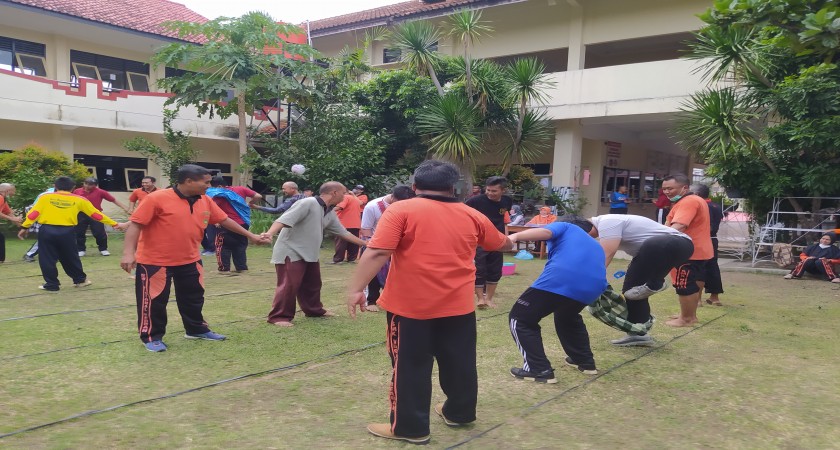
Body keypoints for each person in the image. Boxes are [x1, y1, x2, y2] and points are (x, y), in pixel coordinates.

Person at [346, 160, 513, 444]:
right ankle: (459, 413)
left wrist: (356, 290)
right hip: (459, 306)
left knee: (409, 365)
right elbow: (502, 244)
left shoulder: (402, 209)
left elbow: (376, 253)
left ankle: (410, 428)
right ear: (453, 188)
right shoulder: (470, 213)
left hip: (411, 307)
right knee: (459, 361)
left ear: (414, 187)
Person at [120, 165, 268, 353]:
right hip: (155, 261)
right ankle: (152, 336)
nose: (209, 185)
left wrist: (251, 236)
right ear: (189, 181)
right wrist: (127, 253)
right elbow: (136, 225)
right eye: (205, 182)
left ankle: (196, 329)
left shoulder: (205, 200)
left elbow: (223, 220)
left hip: (190, 259)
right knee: (154, 300)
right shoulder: (156, 198)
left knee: (194, 298)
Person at [507, 216, 607, 383]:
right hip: (594, 286)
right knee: (567, 316)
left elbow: (545, 232)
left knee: (521, 318)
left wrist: (515, 236)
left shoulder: (566, 226)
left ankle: (538, 369)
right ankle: (584, 362)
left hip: (564, 278)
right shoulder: (594, 244)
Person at [262, 182, 367, 327]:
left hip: (309, 252)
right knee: (289, 285)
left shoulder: (329, 211)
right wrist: (269, 234)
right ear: (334, 193)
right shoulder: (308, 203)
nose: (346, 196)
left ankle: (314, 310)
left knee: (313, 283)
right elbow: (284, 220)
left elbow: (343, 232)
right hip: (291, 251)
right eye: (344, 193)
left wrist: (367, 244)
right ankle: (279, 316)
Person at [587, 214, 694, 346]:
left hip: (673, 243)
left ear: (588, 225)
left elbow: (607, 253)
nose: (587, 236)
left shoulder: (607, 222)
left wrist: (594, 277)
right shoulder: (609, 225)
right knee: (632, 291)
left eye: (585, 232)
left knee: (650, 249)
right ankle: (639, 334)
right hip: (668, 249)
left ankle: (656, 283)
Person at [18, 177, 126, 291]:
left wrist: (24, 227)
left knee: (46, 258)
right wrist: (114, 224)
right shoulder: (80, 199)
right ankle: (80, 280)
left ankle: (52, 284)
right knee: (70, 257)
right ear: (73, 188)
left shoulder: (45, 197)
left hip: (47, 230)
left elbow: (33, 214)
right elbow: (96, 214)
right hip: (67, 232)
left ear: (55, 186)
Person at [662, 174, 713, 327]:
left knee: (684, 284)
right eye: (664, 189)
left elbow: (679, 226)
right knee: (693, 282)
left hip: (688, 251)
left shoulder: (688, 202)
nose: (666, 192)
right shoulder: (694, 200)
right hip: (698, 249)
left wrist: (659, 240)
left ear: (684, 188)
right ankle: (689, 315)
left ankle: (687, 318)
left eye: (670, 188)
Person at [359, 185, 416, 312]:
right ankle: (371, 300)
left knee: (395, 273)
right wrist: (374, 246)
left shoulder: (408, 207)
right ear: (393, 198)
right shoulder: (373, 206)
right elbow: (366, 229)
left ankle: (394, 299)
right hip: (377, 243)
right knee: (373, 271)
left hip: (397, 246)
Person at [466, 176, 513, 309]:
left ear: (503, 190)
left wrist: (506, 237)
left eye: (494, 191)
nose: (490, 193)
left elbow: (503, 219)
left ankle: (489, 299)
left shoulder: (506, 201)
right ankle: (480, 299)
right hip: (479, 240)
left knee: (495, 270)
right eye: (488, 190)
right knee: (479, 269)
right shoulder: (475, 201)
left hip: (497, 240)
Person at [207, 175, 262, 274]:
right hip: (243, 222)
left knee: (223, 246)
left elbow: (213, 208)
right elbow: (258, 196)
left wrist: (216, 221)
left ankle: (224, 269)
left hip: (227, 223)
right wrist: (251, 203)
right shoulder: (240, 189)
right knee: (240, 245)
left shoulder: (218, 194)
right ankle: (241, 268)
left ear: (219, 187)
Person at [74, 177, 129, 256]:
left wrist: (125, 208)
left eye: (90, 185)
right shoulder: (77, 191)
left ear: (95, 185)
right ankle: (81, 249)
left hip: (96, 214)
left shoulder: (100, 192)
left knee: (99, 232)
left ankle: (103, 249)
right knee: (79, 232)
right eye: (86, 184)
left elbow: (113, 200)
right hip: (80, 214)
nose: (87, 186)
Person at [695, 184, 725, 305]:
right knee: (713, 267)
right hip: (713, 239)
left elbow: (709, 225)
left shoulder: (702, 206)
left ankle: (697, 299)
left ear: (696, 194)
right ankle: (715, 297)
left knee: (699, 267)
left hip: (703, 239)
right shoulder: (716, 206)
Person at [332, 188, 363, 264]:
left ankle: (338, 259)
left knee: (341, 242)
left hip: (345, 223)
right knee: (353, 242)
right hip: (356, 224)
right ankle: (352, 258)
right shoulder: (355, 199)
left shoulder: (345, 197)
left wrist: (326, 210)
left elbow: (339, 207)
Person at [0, 183, 23, 263]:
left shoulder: (3, 199)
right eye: (12, 190)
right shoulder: (0, 197)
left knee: (1, 237)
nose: (14, 193)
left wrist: (22, 227)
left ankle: (1, 259)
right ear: (7, 191)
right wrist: (13, 219)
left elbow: (9, 213)